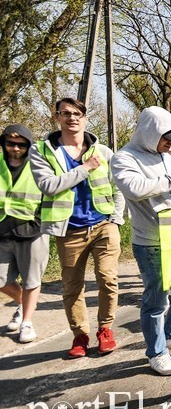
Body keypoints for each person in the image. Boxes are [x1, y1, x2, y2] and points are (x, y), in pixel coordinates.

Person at [111, 107, 171, 375]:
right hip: (151, 241)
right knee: (156, 300)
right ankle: (157, 351)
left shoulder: (166, 157)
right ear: (150, 133)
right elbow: (135, 189)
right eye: (166, 139)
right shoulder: (124, 158)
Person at [30, 97, 125, 358]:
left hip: (104, 225)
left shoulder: (103, 152)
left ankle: (105, 329)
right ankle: (80, 335)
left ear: (85, 118)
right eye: (65, 113)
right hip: (69, 229)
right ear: (57, 118)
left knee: (108, 278)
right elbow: (49, 186)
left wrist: (116, 218)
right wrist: (84, 168)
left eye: (77, 113)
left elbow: (118, 188)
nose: (72, 117)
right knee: (73, 286)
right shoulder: (43, 151)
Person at [0, 124, 49, 343]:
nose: (16, 148)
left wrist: (41, 222)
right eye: (11, 144)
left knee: (31, 280)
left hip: (33, 232)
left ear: (29, 146)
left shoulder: (38, 166)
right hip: (3, 231)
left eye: (21, 145)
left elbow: (51, 194)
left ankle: (27, 322)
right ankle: (21, 304)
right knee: (1, 280)